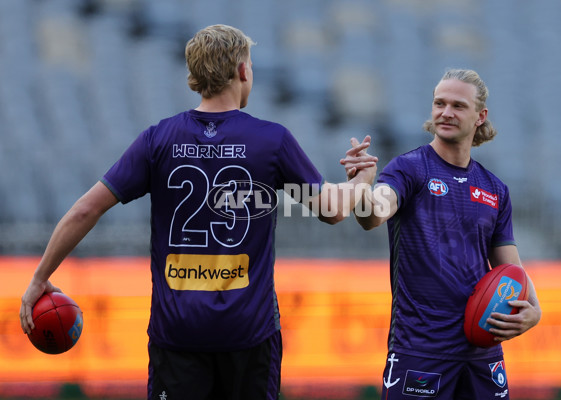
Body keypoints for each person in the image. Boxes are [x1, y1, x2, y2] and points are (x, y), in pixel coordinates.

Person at [20, 24, 377, 400]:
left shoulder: (158, 138)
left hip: (177, 337)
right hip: (249, 336)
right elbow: (333, 211)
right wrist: (362, 180)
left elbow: (84, 211)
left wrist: (40, 277)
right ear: (242, 71)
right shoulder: (272, 140)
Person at [341, 69, 541, 399]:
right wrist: (362, 185)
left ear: (481, 116)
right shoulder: (409, 169)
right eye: (439, 103)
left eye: (458, 106)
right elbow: (372, 216)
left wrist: (534, 310)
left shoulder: (495, 190)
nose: (445, 112)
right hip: (420, 351)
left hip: (482, 351)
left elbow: (511, 268)